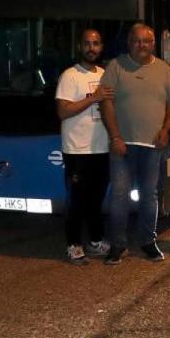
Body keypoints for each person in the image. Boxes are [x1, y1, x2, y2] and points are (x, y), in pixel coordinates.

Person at [99, 23, 170, 265]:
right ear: (129, 43)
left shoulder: (164, 70)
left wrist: (166, 130)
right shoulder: (115, 66)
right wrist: (115, 137)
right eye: (136, 41)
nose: (141, 45)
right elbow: (106, 104)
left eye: (146, 41)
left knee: (150, 196)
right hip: (122, 146)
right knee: (119, 196)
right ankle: (118, 245)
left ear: (153, 43)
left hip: (153, 146)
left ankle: (148, 241)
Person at [55, 29, 114, 264]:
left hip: (102, 149)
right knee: (76, 201)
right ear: (80, 47)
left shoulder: (105, 74)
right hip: (78, 151)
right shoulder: (70, 76)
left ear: (102, 47)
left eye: (96, 43)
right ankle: (73, 244)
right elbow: (62, 111)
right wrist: (93, 98)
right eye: (87, 44)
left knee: (96, 200)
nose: (92, 48)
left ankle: (96, 240)